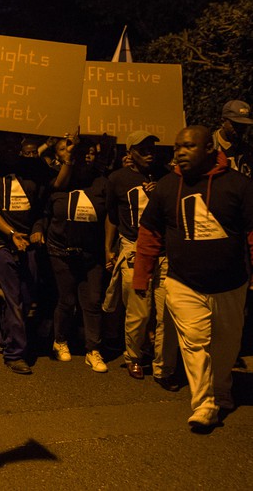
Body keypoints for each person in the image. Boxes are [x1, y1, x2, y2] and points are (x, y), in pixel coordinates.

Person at [134, 125, 253, 429]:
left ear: (210, 150)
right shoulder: (166, 186)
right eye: (176, 147)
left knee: (226, 346)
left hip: (231, 284)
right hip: (183, 282)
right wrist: (141, 279)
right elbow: (149, 235)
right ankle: (204, 404)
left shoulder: (239, 185)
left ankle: (222, 390)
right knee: (195, 342)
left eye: (188, 147)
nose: (179, 153)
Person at [103, 130, 179, 388]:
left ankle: (163, 367)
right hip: (134, 248)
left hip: (164, 250)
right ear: (130, 152)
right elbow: (112, 216)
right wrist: (109, 249)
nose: (150, 153)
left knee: (166, 312)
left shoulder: (168, 178)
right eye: (143, 149)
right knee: (139, 311)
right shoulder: (117, 179)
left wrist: (161, 194)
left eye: (152, 148)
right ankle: (134, 356)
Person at [0, 138, 52, 374]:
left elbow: (41, 209)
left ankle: (6, 337)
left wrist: (38, 229)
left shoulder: (32, 170)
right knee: (13, 299)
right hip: (0, 243)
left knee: (27, 298)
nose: (9, 151)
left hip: (27, 243)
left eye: (13, 146)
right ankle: (15, 353)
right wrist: (10, 234)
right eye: (4, 145)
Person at [45, 137, 110, 372]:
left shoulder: (102, 183)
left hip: (91, 254)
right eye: (84, 153)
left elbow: (110, 216)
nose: (87, 157)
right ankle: (60, 340)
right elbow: (51, 198)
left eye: (91, 153)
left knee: (92, 301)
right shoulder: (58, 179)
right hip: (61, 252)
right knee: (67, 300)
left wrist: (108, 247)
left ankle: (93, 349)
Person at [213, 100, 253, 177]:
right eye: (236, 125)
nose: (240, 129)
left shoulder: (247, 150)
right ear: (223, 122)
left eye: (244, 125)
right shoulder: (210, 149)